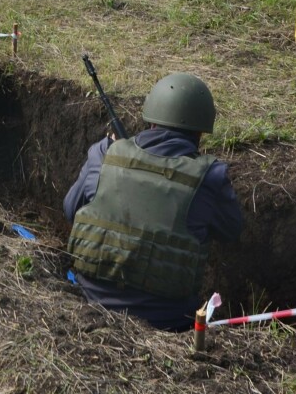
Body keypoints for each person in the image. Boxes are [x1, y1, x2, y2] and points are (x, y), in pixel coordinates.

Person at [64, 72, 244, 331]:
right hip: (168, 322)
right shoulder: (210, 178)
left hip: (89, 304)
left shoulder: (104, 154)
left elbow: (71, 210)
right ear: (200, 133)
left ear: (150, 119)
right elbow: (231, 230)